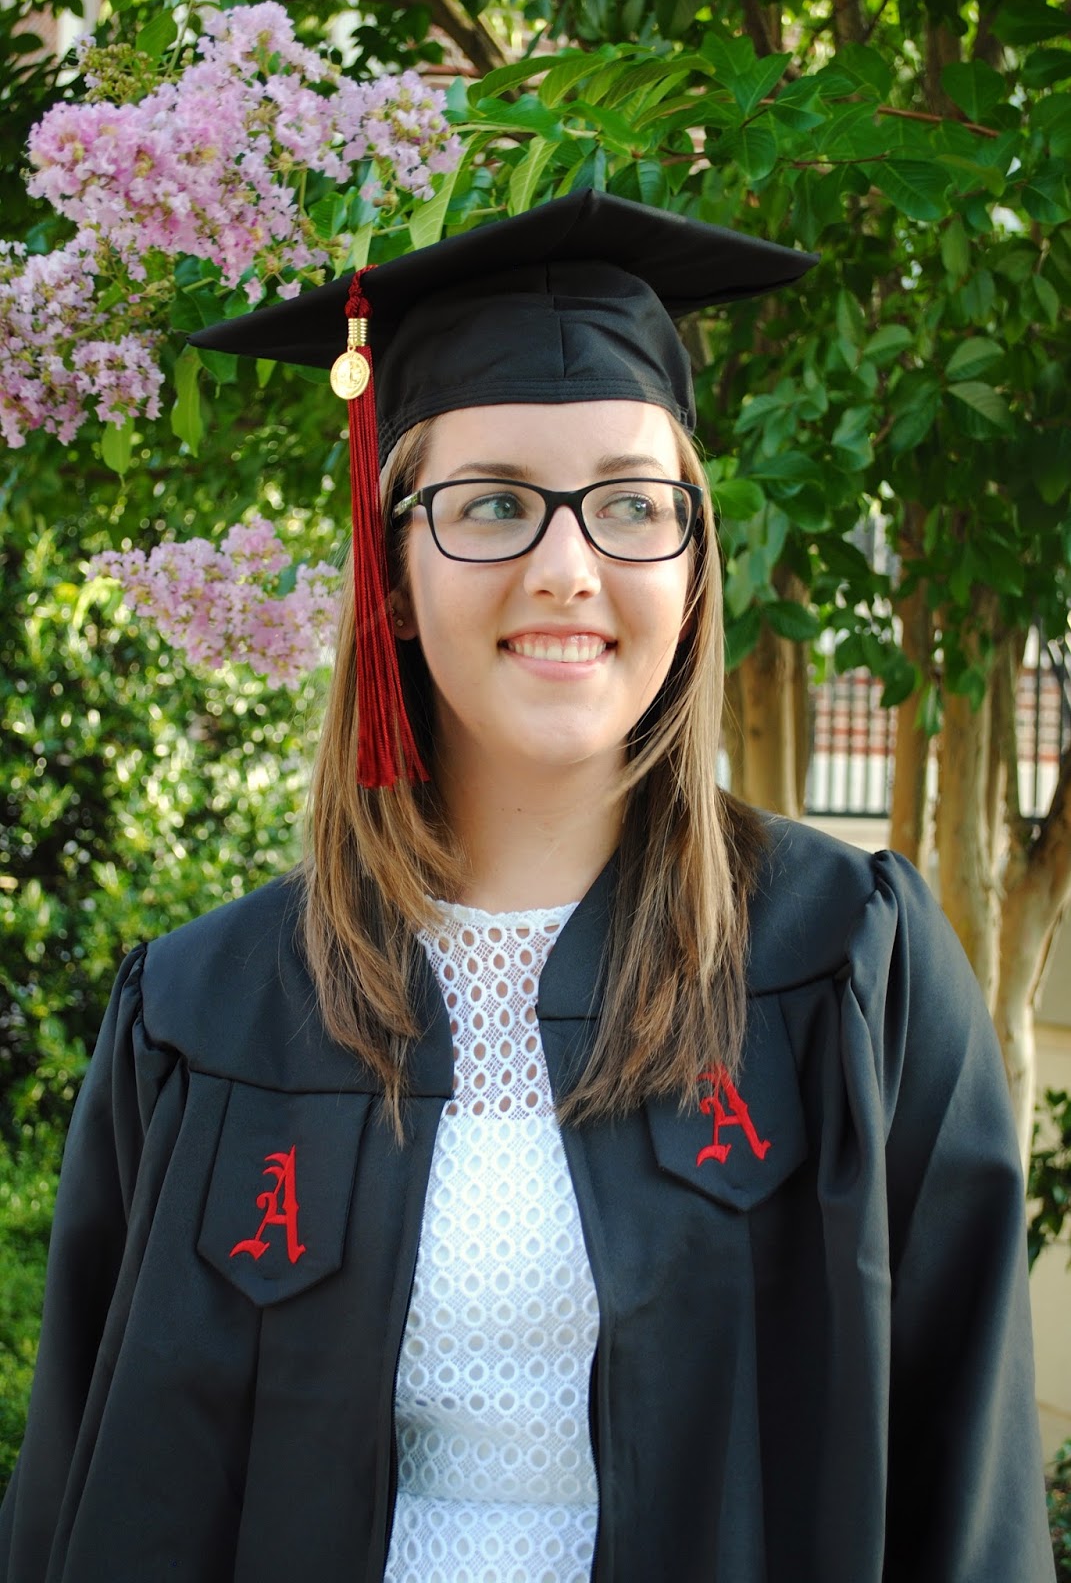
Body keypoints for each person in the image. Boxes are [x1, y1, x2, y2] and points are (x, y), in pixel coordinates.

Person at [0, 190, 1055, 1583]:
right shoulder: (203, 1016)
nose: (568, 569)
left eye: (631, 507)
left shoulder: (850, 965)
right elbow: (89, 1488)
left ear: (694, 562)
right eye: (493, 505)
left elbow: (968, 1500)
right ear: (392, 570)